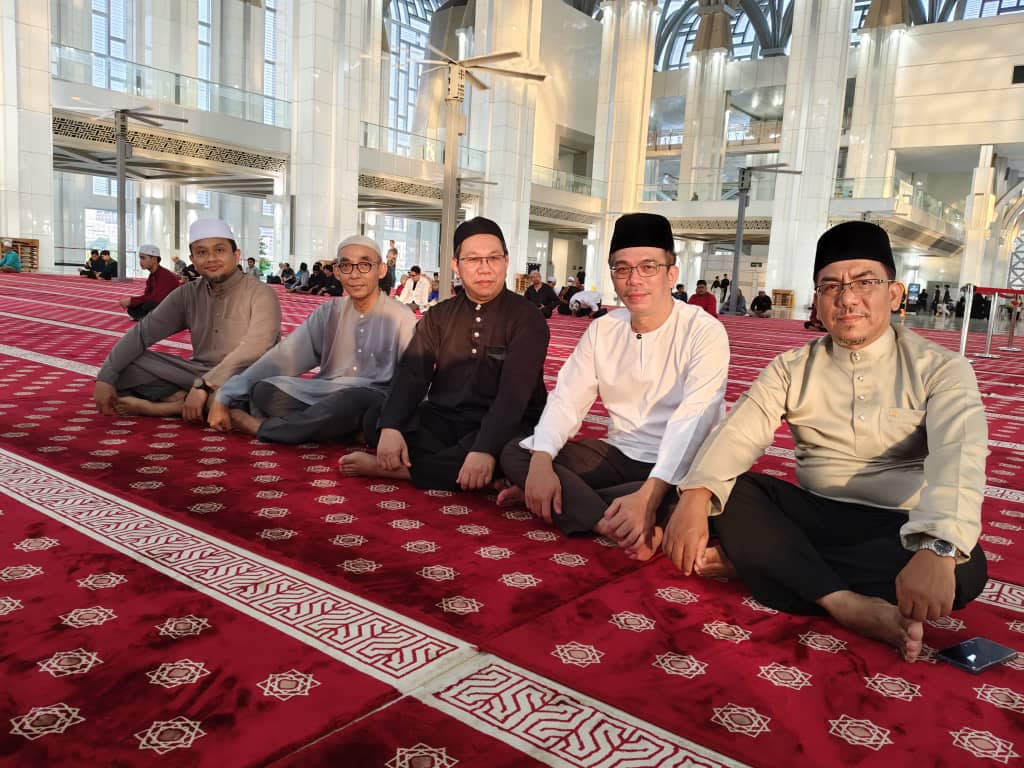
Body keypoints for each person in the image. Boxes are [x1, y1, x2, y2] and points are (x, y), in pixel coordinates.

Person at [663, 221, 988, 662]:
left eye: (865, 282)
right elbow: (738, 433)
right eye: (831, 286)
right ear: (817, 301)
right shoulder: (791, 367)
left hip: (895, 527)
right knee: (729, 491)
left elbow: (960, 458)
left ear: (895, 294)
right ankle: (844, 603)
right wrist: (695, 495)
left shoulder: (942, 369)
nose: (847, 298)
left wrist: (938, 547)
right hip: (811, 513)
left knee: (966, 569)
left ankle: (771, 565)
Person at [499, 213, 728, 558]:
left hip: (684, 465)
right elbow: (567, 399)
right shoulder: (604, 329)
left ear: (671, 274)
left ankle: (571, 501)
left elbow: (693, 422)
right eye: (622, 269)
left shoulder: (704, 331)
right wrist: (542, 462)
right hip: (621, 454)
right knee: (518, 452)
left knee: (714, 495)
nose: (634, 280)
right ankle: (610, 521)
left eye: (648, 267)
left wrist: (649, 495)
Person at [340, 217, 549, 492]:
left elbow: (514, 396)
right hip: (446, 418)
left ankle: (405, 471)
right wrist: (391, 426)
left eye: (493, 258)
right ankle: (474, 475)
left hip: (508, 420)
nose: (485, 268)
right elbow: (413, 373)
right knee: (377, 417)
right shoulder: (440, 315)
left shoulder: (527, 319)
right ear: (456, 265)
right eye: (473, 259)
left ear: (506, 261)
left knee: (511, 451)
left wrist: (485, 448)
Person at [210, 235, 416, 445]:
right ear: (337, 271)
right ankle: (348, 431)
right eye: (346, 266)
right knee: (264, 391)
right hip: (325, 393)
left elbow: (413, 378)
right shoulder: (329, 312)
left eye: (365, 265)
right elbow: (284, 356)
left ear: (381, 270)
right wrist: (227, 393)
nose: (354, 274)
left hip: (373, 398)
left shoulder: (401, 317)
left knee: (354, 401)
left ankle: (262, 427)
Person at [92, 219, 282, 424]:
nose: (211, 258)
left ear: (236, 255)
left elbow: (257, 345)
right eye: (201, 252)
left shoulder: (261, 293)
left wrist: (205, 385)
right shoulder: (187, 294)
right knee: (121, 365)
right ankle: (191, 401)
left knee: (247, 397)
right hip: (198, 373)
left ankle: (169, 406)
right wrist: (105, 378)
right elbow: (142, 334)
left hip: (246, 375)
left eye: (219, 250)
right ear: (192, 259)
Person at [117, 244, 180, 321]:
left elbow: (156, 299)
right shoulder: (152, 275)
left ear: (154, 259)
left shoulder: (164, 275)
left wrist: (132, 300)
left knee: (150, 305)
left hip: (173, 308)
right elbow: (147, 295)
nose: (140, 262)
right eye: (140, 258)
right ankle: (149, 317)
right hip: (160, 305)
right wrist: (132, 302)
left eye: (143, 258)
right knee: (133, 308)